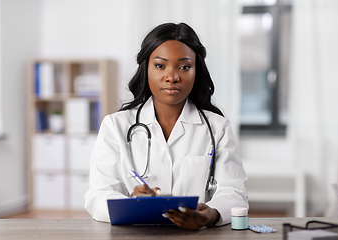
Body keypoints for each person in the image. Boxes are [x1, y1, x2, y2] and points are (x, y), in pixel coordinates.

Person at [85, 22, 248, 230]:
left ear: (197, 71)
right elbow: (98, 194)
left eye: (185, 67)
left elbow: (234, 192)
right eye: (160, 66)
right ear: (146, 69)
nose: (172, 77)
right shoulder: (115, 126)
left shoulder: (218, 128)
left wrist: (212, 214)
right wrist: (130, 205)